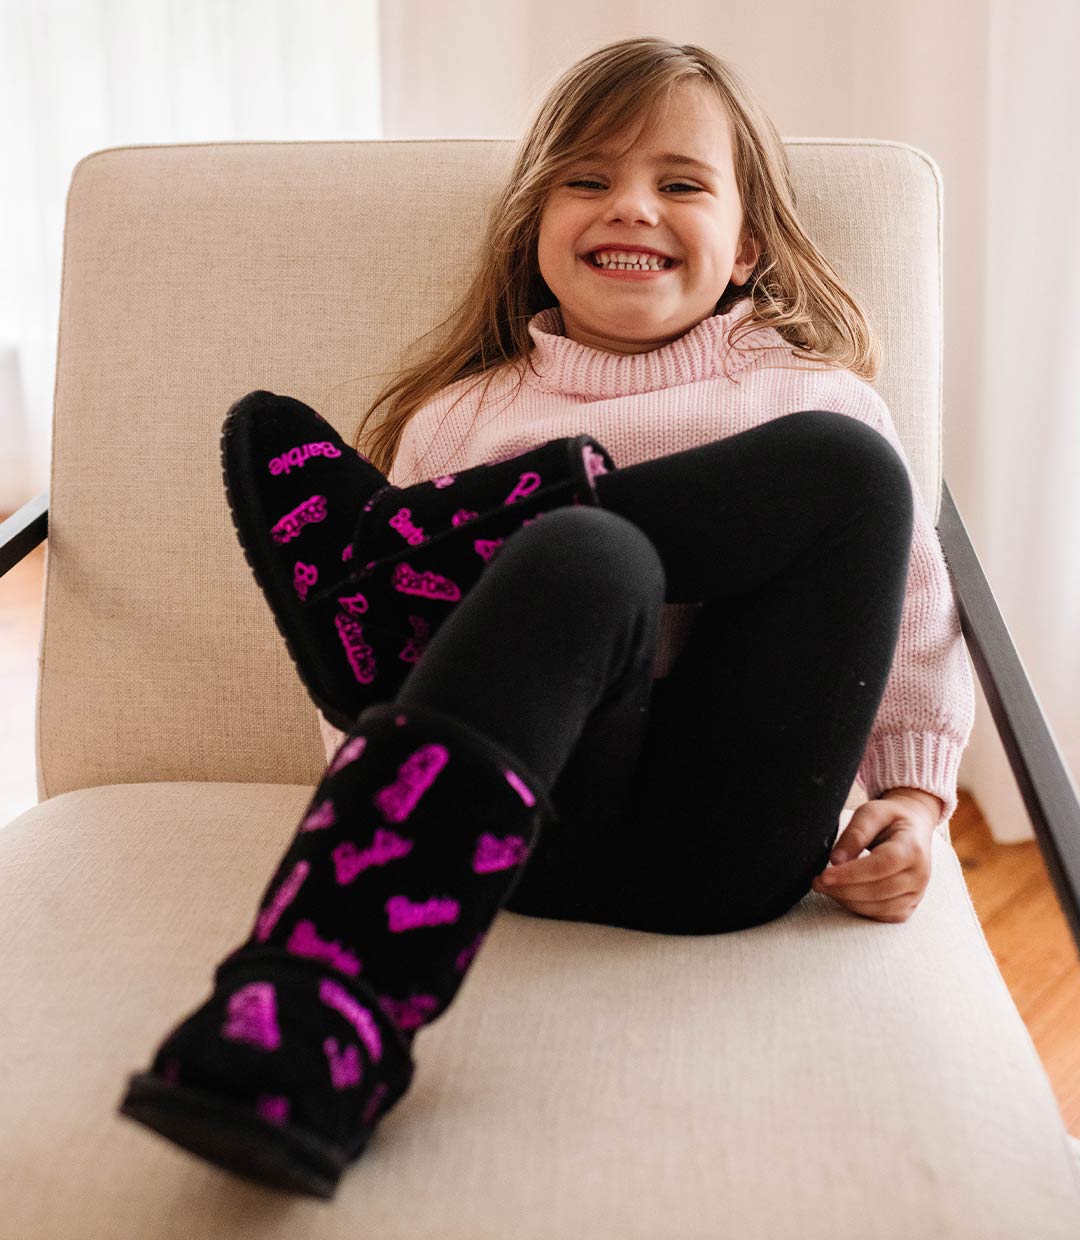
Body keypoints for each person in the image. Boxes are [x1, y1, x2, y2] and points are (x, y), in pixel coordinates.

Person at [118, 35, 975, 1199]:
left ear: (747, 248)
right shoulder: (462, 422)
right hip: (511, 838)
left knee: (850, 468)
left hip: (728, 847)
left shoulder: (811, 393)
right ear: (536, 227)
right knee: (585, 550)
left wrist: (917, 807)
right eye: (588, 177)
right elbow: (385, 684)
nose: (632, 205)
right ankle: (322, 1016)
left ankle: (413, 561)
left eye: (681, 182)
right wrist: (369, 732)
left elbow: (916, 633)